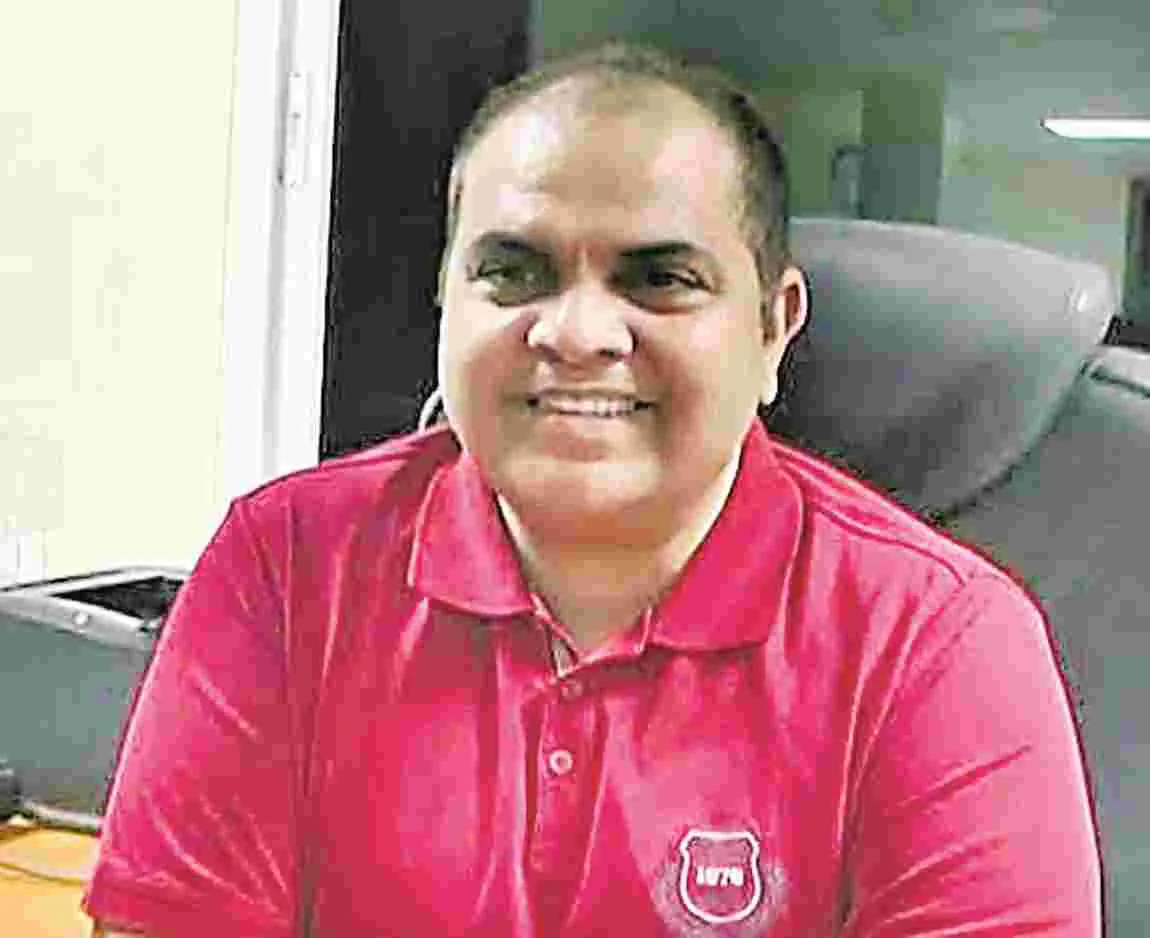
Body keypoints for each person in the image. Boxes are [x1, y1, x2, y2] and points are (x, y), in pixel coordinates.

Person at [85, 42, 1100, 937]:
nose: (574, 333)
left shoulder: (937, 644)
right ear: (445, 301)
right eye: (513, 271)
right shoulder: (287, 564)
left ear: (771, 328)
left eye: (659, 279)